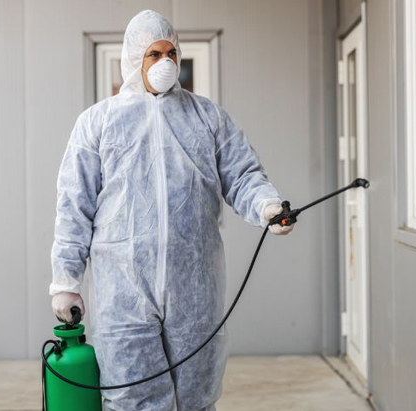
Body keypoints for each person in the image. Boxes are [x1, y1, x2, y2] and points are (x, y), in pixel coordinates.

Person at [50, 9, 294, 411]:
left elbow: (242, 172)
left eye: (171, 53)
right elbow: (74, 205)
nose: (165, 63)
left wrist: (267, 206)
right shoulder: (98, 123)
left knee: (195, 395)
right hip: (123, 292)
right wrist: (65, 280)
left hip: (193, 288)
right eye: (153, 54)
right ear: (133, 60)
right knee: (131, 396)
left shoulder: (207, 117)